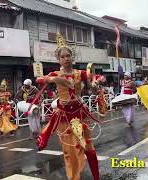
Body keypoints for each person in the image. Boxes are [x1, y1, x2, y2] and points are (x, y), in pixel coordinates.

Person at [35, 33, 105, 180]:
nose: (66, 58)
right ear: (58, 59)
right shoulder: (56, 73)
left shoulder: (80, 73)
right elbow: (39, 79)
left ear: (73, 57)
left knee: (88, 148)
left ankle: (96, 176)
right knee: (69, 151)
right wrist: (57, 79)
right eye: (62, 56)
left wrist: (97, 82)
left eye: (68, 55)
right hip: (64, 116)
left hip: (80, 114)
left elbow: (95, 81)